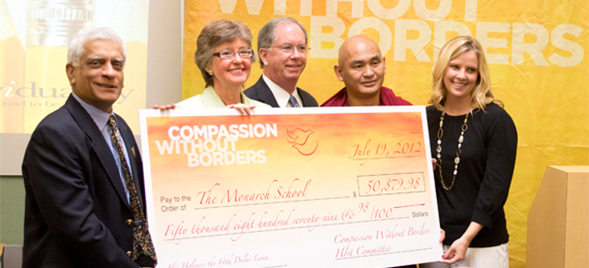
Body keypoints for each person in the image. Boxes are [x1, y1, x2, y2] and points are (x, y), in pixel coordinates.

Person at [21, 27, 156, 267]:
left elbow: (138, 206)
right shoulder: (54, 135)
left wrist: (169, 126)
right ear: (71, 73)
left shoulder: (121, 127)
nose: (109, 72)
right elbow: (80, 231)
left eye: (117, 64)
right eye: (96, 63)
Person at [420, 36, 517, 268]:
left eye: (470, 70)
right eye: (455, 66)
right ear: (443, 69)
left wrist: (466, 238)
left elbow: (495, 189)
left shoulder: (496, 120)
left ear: (479, 76)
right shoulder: (427, 118)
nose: (461, 75)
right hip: (435, 242)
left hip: (482, 245)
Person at [167, 19, 270, 113]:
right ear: (207, 65)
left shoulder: (264, 112)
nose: (238, 60)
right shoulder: (183, 112)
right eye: (226, 53)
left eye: (243, 52)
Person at [244, 17, 318, 108]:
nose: (296, 55)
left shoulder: (310, 102)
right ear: (264, 55)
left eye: (301, 48)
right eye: (287, 48)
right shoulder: (247, 103)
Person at [321, 35, 411, 107]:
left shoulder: (406, 112)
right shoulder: (324, 118)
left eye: (375, 63)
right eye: (358, 66)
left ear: (384, 65)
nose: (369, 73)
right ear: (339, 73)